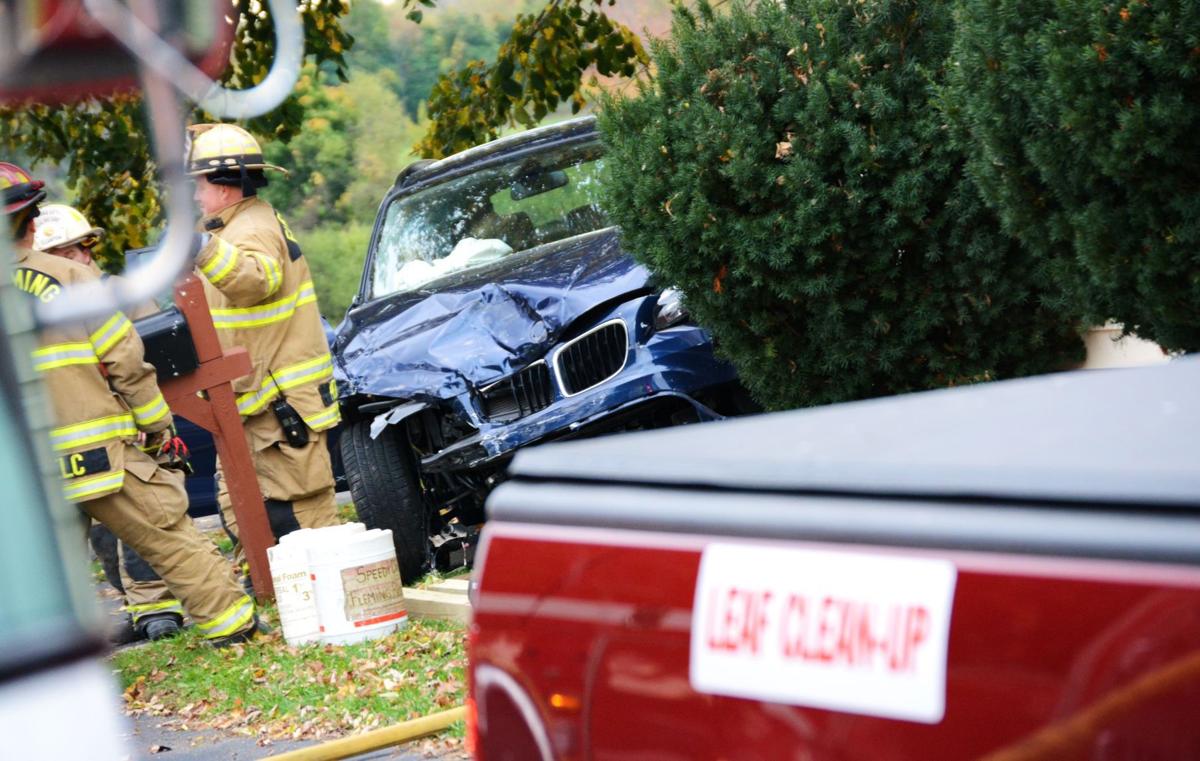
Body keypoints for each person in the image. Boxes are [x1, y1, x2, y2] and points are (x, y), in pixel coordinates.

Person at [2, 161, 256, 646]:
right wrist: (157, 426)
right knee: (168, 536)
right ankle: (233, 626)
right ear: (32, 222)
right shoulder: (74, 280)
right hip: (100, 455)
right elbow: (125, 359)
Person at [185, 124, 341, 580]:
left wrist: (203, 249)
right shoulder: (235, 225)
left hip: (281, 405)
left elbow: (256, 281)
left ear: (224, 182)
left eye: (198, 185)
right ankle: (282, 593)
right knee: (244, 511)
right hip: (258, 404)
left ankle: (327, 597)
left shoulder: (250, 229)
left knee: (305, 514)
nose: (194, 196)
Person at [33, 203, 183, 642]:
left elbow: (149, 361)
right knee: (98, 533)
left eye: (81, 247)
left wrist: (149, 421)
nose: (78, 257)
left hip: (130, 429)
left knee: (145, 522)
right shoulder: (35, 306)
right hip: (82, 437)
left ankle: (158, 608)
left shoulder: (121, 292)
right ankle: (128, 610)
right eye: (64, 251)